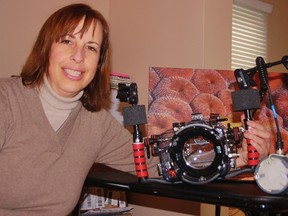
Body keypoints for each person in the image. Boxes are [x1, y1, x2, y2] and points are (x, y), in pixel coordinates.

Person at [0, 3, 271, 216]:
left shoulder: (96, 124)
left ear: (98, 64)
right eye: (68, 41)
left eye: (91, 47)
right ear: (46, 47)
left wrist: (239, 156)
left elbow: (160, 165)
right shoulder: (6, 101)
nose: (78, 57)